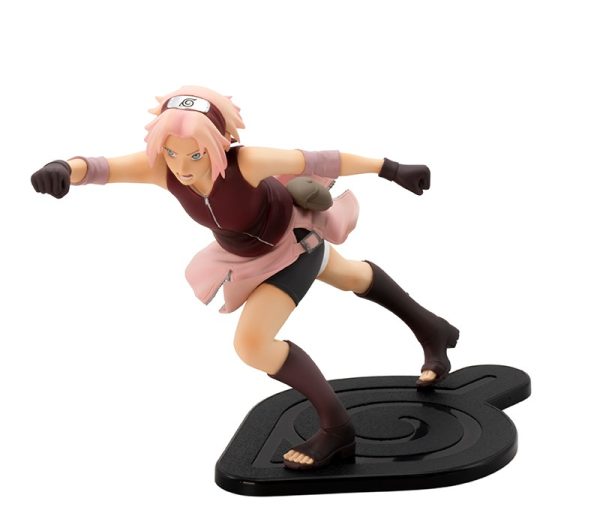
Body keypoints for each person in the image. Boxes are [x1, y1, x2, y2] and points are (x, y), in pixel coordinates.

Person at [30, 86, 459, 470]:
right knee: (351, 275)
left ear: (220, 143)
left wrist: (391, 168)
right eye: (173, 153)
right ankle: (433, 329)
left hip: (294, 246)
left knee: (252, 344)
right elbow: (99, 168)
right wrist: (62, 167)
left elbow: (323, 159)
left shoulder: (246, 163)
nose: (183, 166)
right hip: (246, 256)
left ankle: (337, 429)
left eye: (196, 154)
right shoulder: (161, 169)